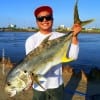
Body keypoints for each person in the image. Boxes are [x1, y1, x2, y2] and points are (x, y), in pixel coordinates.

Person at [25, 6, 82, 100]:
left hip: (57, 86)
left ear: (52, 19)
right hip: (38, 88)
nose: (44, 20)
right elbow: (29, 65)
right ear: (37, 22)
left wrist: (74, 36)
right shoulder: (31, 40)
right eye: (40, 18)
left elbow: (73, 56)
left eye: (48, 17)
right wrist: (28, 81)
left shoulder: (62, 36)